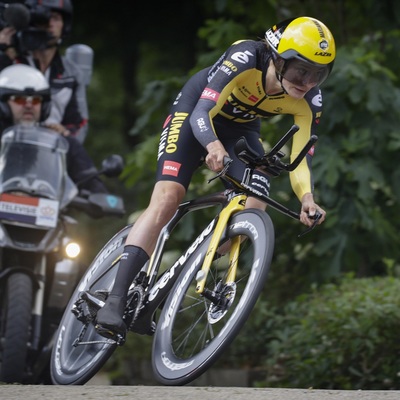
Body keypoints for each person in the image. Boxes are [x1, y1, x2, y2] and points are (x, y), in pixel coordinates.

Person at [95, 16, 336, 338]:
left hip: (241, 129)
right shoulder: (245, 57)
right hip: (196, 114)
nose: (306, 82)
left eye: (318, 74)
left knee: (255, 204)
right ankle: (114, 299)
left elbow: (300, 158)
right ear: (278, 59)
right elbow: (200, 113)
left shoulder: (310, 99)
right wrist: (212, 146)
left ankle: (177, 283)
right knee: (167, 199)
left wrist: (307, 198)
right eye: (300, 71)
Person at [0, 63, 106, 193]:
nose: (28, 106)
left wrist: (100, 196)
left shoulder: (57, 142)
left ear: (44, 106)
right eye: (19, 100)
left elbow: (90, 181)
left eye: (35, 101)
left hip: (44, 209)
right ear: (3, 103)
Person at [0, 0, 89, 143]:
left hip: (51, 155)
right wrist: (5, 54)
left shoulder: (71, 73)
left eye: (55, 18)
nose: (49, 24)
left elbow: (79, 124)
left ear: (64, 25)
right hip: (9, 151)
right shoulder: (9, 63)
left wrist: (65, 135)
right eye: (43, 19)